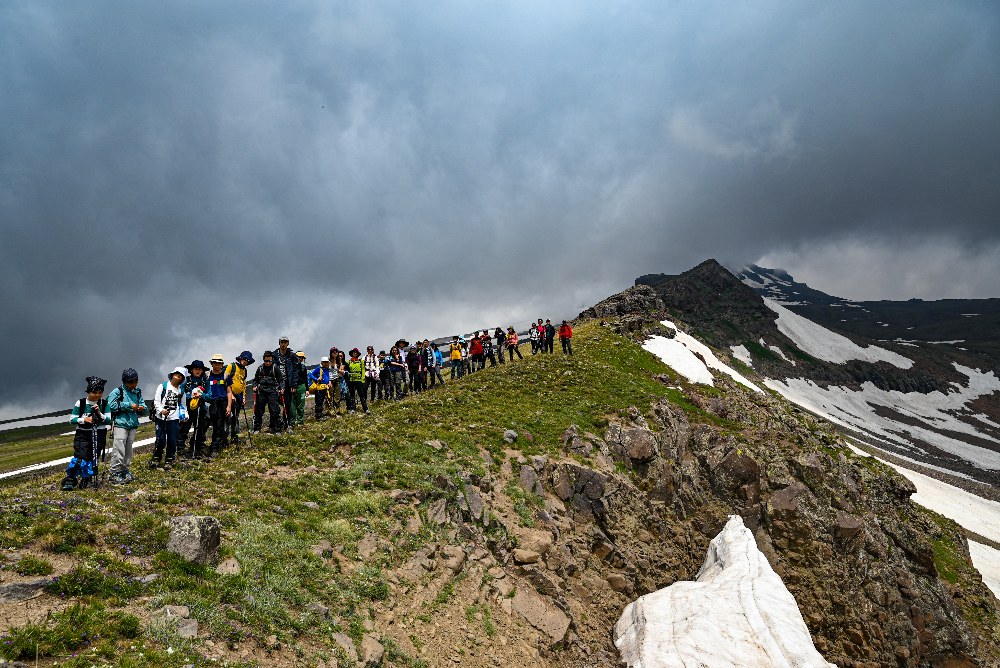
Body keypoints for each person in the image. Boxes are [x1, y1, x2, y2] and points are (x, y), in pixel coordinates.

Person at [62, 376, 111, 490]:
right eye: (94, 392)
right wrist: (84, 420)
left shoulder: (105, 404)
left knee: (93, 457)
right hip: (82, 434)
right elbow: (72, 419)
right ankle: (70, 479)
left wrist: (99, 413)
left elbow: (109, 420)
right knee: (80, 456)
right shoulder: (81, 403)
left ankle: (86, 478)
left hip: (99, 433)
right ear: (89, 391)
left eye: (100, 392)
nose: (97, 395)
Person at [106, 368, 145, 485]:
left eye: (135, 382)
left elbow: (143, 404)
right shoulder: (118, 391)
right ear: (125, 381)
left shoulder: (137, 391)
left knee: (128, 449)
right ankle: (114, 473)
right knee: (119, 448)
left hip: (132, 424)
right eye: (131, 382)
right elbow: (110, 405)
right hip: (120, 424)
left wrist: (142, 408)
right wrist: (128, 405)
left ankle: (124, 470)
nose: (134, 384)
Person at [150, 367, 188, 469]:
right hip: (160, 418)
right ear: (172, 374)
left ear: (182, 379)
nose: (177, 376)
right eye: (176, 374)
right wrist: (161, 410)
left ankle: (169, 459)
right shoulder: (163, 386)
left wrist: (185, 414)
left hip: (174, 419)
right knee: (161, 439)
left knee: (172, 440)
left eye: (180, 375)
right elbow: (157, 401)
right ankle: (156, 458)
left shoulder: (181, 391)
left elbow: (182, 405)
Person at [203, 354, 234, 457]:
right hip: (210, 403)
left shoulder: (226, 376)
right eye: (215, 363)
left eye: (219, 363)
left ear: (222, 364)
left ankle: (215, 447)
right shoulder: (207, 375)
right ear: (211, 364)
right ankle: (200, 445)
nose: (217, 365)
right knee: (204, 424)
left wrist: (229, 406)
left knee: (219, 425)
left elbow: (229, 392)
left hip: (222, 402)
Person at [179, 360, 208, 459]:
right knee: (184, 429)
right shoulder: (186, 380)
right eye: (195, 368)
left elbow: (210, 395)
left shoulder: (205, 381)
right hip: (187, 410)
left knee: (200, 430)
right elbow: (180, 392)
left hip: (201, 410)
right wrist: (190, 395)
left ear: (202, 370)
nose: (197, 370)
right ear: (191, 370)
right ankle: (180, 450)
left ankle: (198, 448)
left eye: (200, 369)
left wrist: (202, 395)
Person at [225, 351, 254, 444]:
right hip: (229, 395)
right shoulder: (231, 366)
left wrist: (244, 396)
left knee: (235, 417)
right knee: (226, 417)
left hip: (239, 396)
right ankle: (224, 438)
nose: (245, 361)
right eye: (244, 359)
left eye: (247, 360)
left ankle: (235, 438)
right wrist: (231, 395)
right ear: (240, 358)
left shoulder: (244, 371)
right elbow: (225, 380)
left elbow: (243, 384)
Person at [252, 351, 285, 433]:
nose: (268, 363)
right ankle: (257, 429)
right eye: (266, 361)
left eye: (270, 361)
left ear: (272, 359)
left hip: (272, 391)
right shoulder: (260, 368)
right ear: (264, 360)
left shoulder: (275, 368)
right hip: (261, 391)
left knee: (274, 410)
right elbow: (255, 380)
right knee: (259, 411)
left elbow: (281, 380)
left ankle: (276, 428)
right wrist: (254, 386)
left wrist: (282, 388)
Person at [274, 337, 297, 431]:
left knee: (287, 404)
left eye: (285, 342)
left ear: (288, 343)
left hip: (287, 382)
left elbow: (295, 371)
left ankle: (287, 424)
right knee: (274, 404)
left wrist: (294, 384)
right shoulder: (274, 355)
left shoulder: (292, 355)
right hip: (276, 382)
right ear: (279, 343)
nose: (283, 344)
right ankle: (275, 425)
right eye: (282, 342)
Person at [346, 348, 369, 414]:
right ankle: (353, 408)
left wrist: (363, 379)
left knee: (361, 394)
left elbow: (363, 370)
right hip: (351, 379)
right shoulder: (348, 362)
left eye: (356, 352)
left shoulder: (361, 361)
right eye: (354, 352)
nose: (355, 353)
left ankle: (365, 409)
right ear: (352, 353)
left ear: (358, 354)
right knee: (352, 395)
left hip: (358, 379)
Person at [292, 351, 308, 427]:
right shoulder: (290, 366)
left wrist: (307, 389)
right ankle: (291, 422)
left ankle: (300, 422)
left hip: (301, 387)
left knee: (301, 406)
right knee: (292, 406)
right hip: (292, 387)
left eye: (301, 357)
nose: (300, 359)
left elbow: (305, 379)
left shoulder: (303, 367)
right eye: (299, 357)